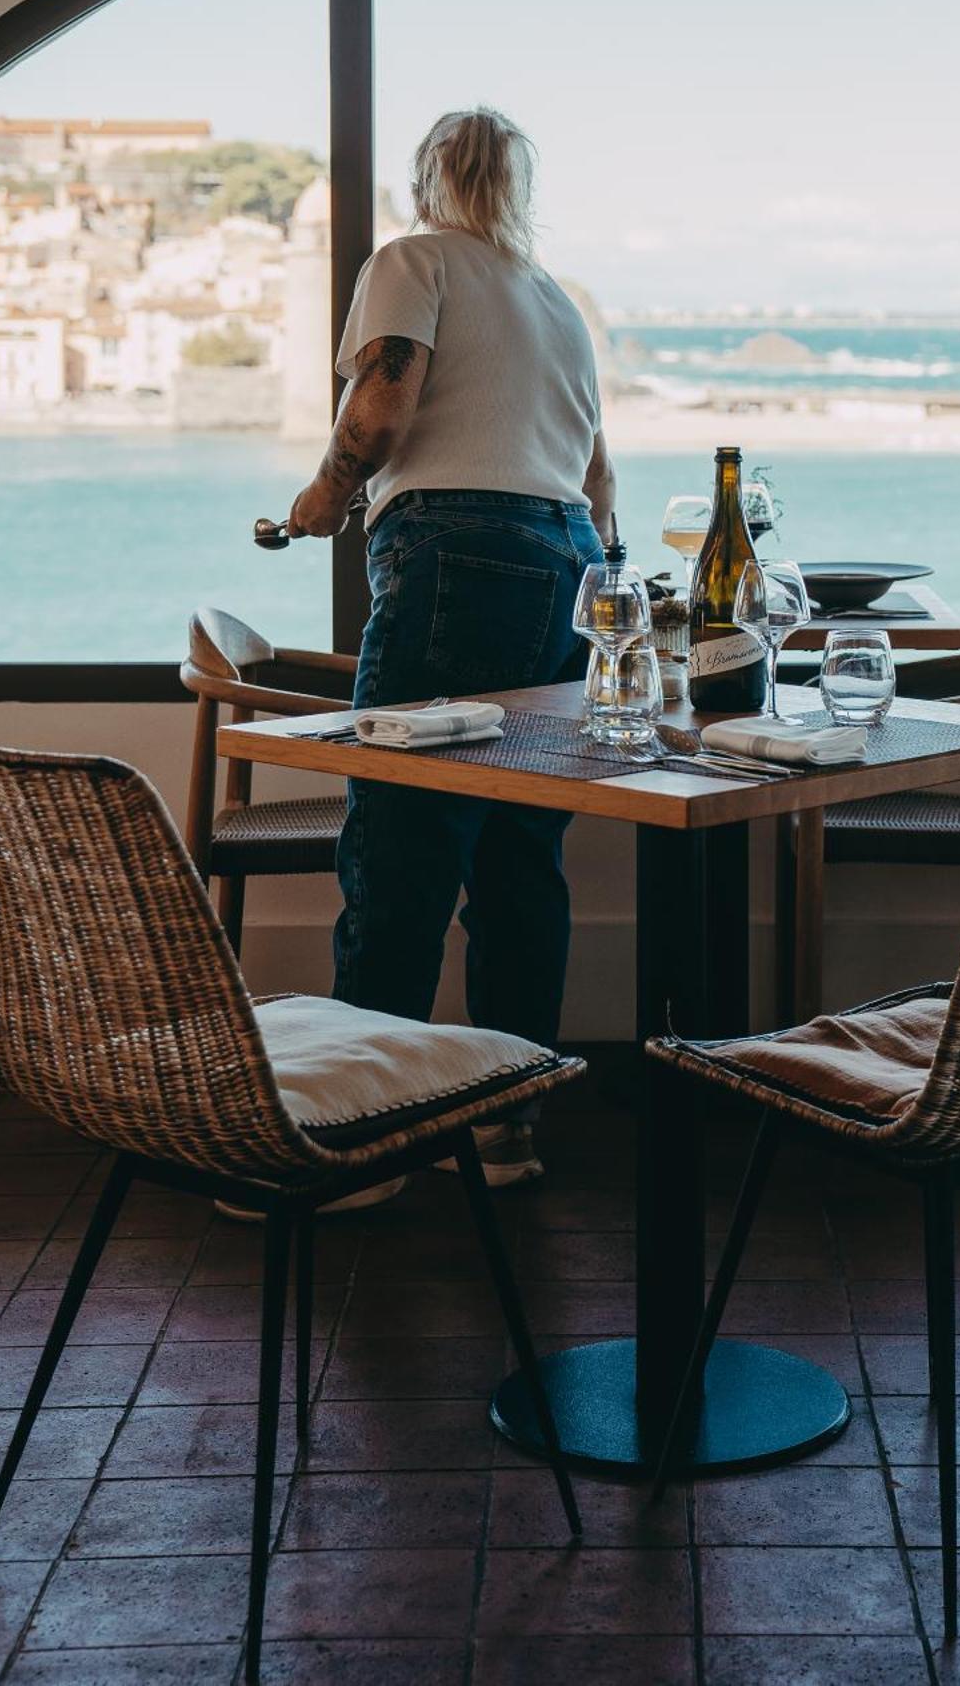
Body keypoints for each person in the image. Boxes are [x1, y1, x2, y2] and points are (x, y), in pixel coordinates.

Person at [287, 107, 613, 1190]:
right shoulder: (556, 300)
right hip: (567, 559)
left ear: (429, 177)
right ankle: (505, 1127)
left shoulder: (412, 258)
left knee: (401, 842)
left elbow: (382, 405)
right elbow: (597, 474)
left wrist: (324, 496)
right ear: (518, 183)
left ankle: (367, 1141)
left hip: (457, 551)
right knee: (522, 855)